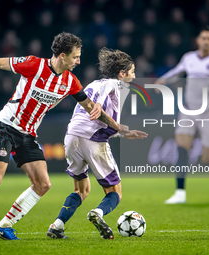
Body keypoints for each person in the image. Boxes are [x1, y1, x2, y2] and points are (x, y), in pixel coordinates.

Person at [0, 32, 127, 240]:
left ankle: (4, 225)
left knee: (43, 184)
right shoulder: (34, 65)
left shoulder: (70, 81)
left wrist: (115, 125)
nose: (78, 61)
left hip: (27, 135)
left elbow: (89, 106)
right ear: (62, 55)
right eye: (75, 56)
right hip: (6, 126)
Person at [46, 48, 148, 239]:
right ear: (121, 73)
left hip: (71, 137)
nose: (133, 76)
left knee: (81, 189)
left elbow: (96, 120)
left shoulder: (93, 83)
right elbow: (102, 97)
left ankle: (57, 226)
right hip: (92, 140)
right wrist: (99, 105)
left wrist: (124, 134)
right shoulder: (113, 84)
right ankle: (98, 213)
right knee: (115, 192)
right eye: (132, 72)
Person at [155, 26, 209, 204]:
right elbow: (176, 72)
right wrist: (162, 81)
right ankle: (180, 192)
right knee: (181, 148)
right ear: (198, 41)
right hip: (188, 110)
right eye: (203, 38)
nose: (206, 41)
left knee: (208, 159)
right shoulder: (189, 58)